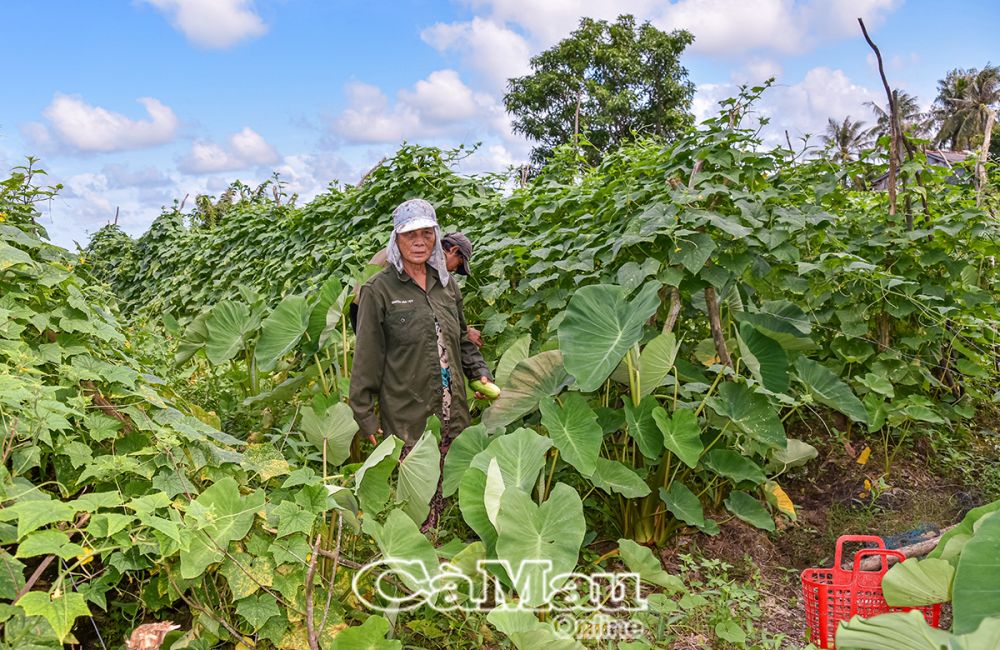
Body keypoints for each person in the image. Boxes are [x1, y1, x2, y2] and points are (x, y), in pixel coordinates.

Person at [349, 198, 493, 453]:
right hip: (410, 419)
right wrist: (364, 414)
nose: (419, 241)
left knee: (455, 486)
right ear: (397, 239)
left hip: (454, 414)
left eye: (426, 233)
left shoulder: (447, 284)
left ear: (436, 237)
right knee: (419, 490)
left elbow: (461, 338)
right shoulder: (378, 290)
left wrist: (478, 370)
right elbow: (367, 357)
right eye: (410, 234)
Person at [349, 232, 483, 347]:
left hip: (363, 307)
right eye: (458, 264)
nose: (454, 270)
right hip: (370, 310)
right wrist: (463, 332)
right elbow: (420, 310)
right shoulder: (425, 256)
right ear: (453, 250)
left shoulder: (418, 253)